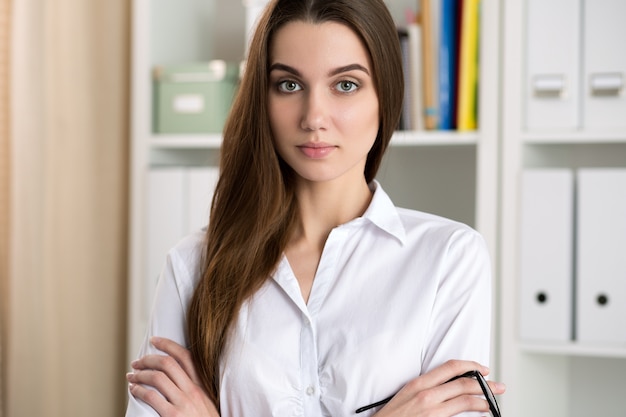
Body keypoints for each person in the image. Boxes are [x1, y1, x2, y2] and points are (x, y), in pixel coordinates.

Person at [125, 0, 506, 416]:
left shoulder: (449, 259)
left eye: (345, 85)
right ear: (262, 100)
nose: (314, 117)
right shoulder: (192, 266)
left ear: (386, 95)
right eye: (289, 85)